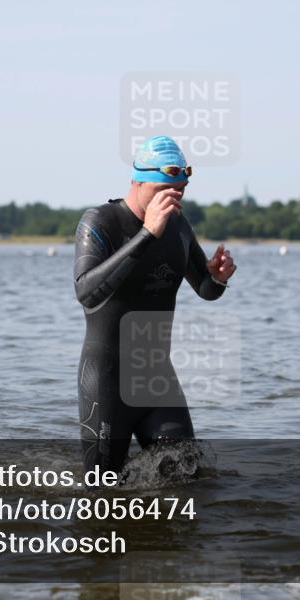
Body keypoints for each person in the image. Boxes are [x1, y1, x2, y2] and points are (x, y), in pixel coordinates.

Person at [73, 136, 236, 474]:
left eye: (179, 191)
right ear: (138, 181)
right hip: (107, 378)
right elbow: (86, 292)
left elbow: (205, 289)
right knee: (102, 490)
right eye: (164, 190)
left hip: (156, 378)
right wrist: (147, 234)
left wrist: (217, 278)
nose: (172, 200)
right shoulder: (101, 222)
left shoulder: (178, 227)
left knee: (188, 475)